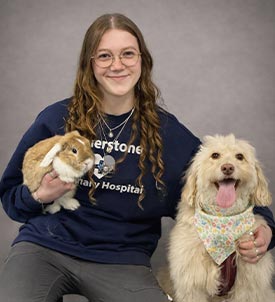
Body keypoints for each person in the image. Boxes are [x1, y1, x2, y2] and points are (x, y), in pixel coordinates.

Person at [0, 13, 274, 302]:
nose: (117, 65)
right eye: (104, 56)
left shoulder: (169, 134)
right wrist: (39, 195)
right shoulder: (57, 119)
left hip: (123, 261)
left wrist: (266, 226)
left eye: (128, 54)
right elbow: (10, 198)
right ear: (89, 64)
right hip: (45, 248)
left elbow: (225, 179)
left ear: (142, 60)